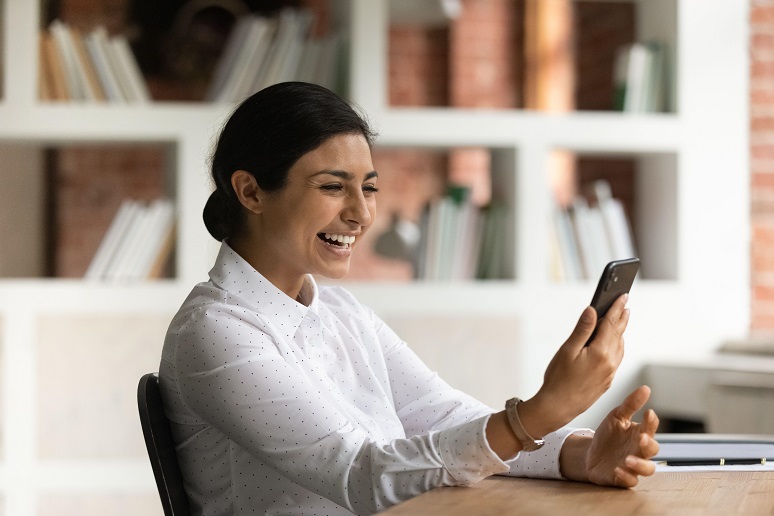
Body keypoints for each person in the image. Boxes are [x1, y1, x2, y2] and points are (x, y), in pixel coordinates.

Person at [159, 81, 660, 516]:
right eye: (334, 186)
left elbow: (446, 418)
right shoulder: (215, 332)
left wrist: (580, 455)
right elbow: (361, 475)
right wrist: (542, 410)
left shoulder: (342, 314)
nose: (362, 215)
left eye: (369, 189)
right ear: (250, 192)